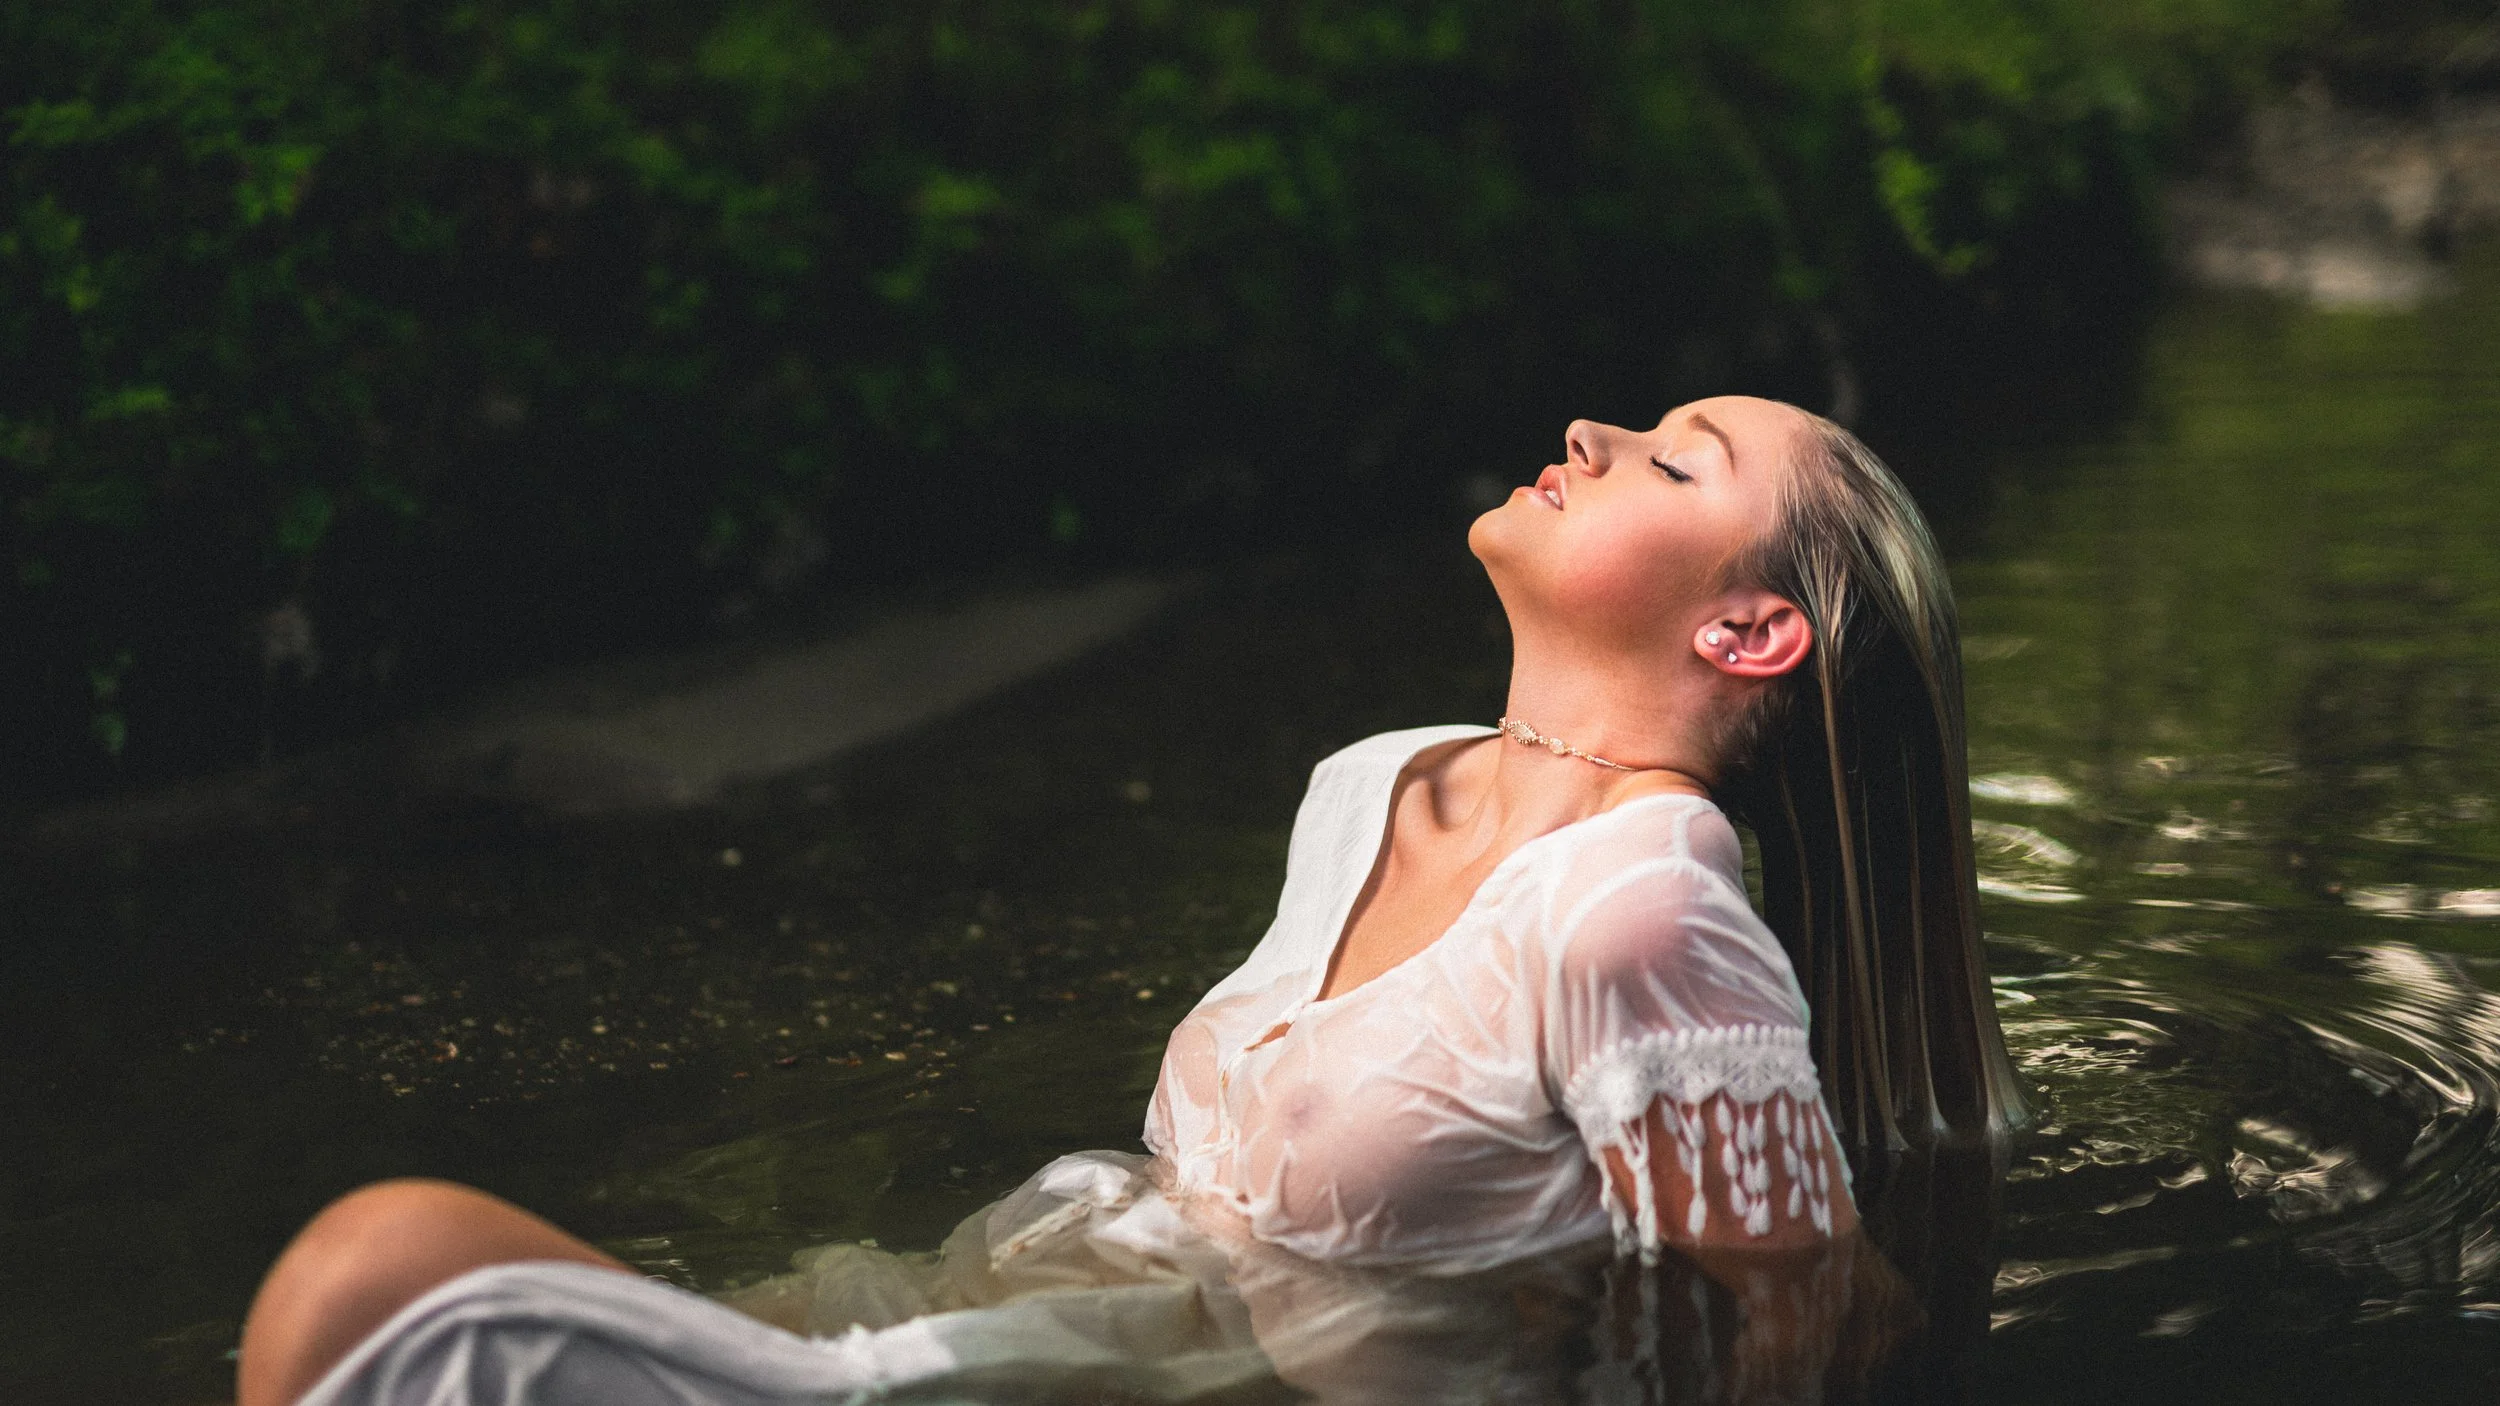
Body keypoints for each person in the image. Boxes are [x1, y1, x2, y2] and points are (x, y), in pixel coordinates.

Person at [234, 396, 2024, 1406]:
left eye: (1670, 455)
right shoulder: (1372, 778)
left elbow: (1800, 1329)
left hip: (1132, 1388)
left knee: (383, 1282)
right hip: (990, 1314)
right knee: (382, 1286)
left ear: (1750, 631)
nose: (1593, 425)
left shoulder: (1648, 905)